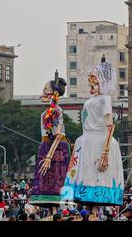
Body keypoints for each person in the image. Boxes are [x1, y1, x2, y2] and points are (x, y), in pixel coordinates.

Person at [62, 58, 124, 207]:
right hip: (86, 140)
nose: (92, 85)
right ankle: (87, 206)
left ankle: (95, 208)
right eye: (90, 82)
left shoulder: (105, 99)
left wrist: (105, 152)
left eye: (95, 82)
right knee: (85, 177)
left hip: (100, 140)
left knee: (97, 176)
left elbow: (110, 125)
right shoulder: (90, 100)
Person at [30, 71, 70, 208]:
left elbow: (58, 135)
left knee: (55, 180)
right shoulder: (46, 113)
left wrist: (49, 156)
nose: (43, 92)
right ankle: (51, 211)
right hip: (46, 145)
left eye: (46, 90)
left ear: (54, 93)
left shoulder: (56, 110)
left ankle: (56, 211)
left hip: (55, 149)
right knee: (46, 180)